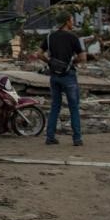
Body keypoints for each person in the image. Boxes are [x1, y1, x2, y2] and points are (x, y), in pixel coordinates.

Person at [39, 12, 87, 146]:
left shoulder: (50, 37)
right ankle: (77, 138)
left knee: (55, 106)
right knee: (73, 107)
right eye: (71, 20)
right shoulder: (73, 37)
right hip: (69, 75)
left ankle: (50, 137)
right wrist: (72, 63)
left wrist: (49, 62)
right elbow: (83, 57)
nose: (73, 22)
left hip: (54, 75)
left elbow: (39, 54)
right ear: (67, 22)